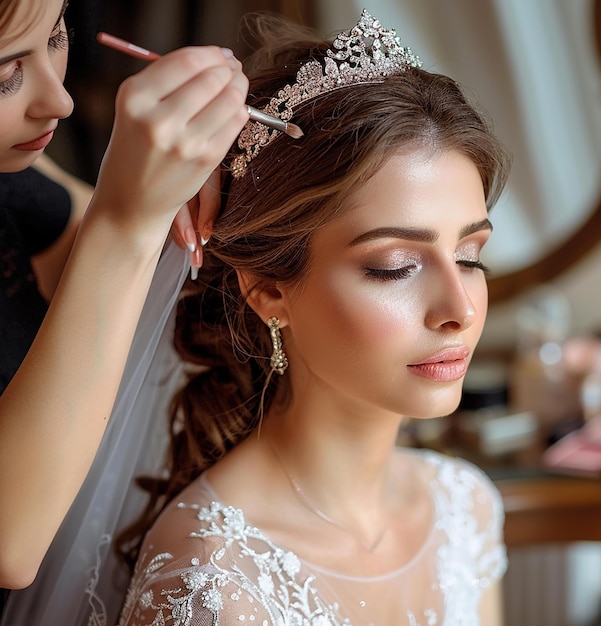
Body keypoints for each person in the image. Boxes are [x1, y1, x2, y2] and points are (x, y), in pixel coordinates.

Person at [115, 9, 511, 626]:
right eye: (394, 267)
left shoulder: (464, 507)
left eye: (468, 256)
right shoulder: (210, 579)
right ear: (268, 291)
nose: (459, 310)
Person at [0, 0, 248, 601]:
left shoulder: (20, 178)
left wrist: (178, 191)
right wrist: (128, 219)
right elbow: (10, 546)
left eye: (57, 36)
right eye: (5, 73)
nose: (58, 100)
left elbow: (96, 269)